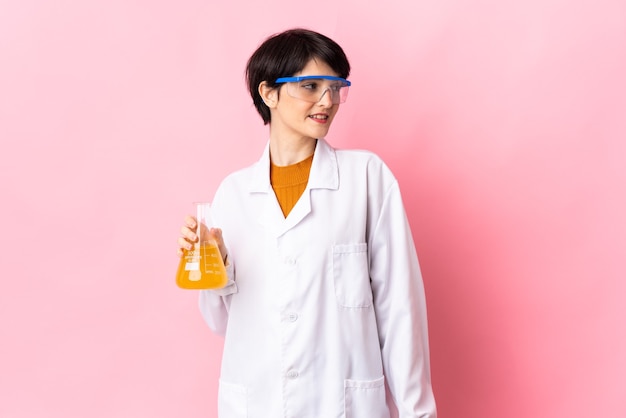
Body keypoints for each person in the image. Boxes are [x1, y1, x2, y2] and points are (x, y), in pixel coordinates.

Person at [177, 28, 436, 418]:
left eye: (336, 87)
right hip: (257, 402)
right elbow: (221, 323)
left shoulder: (367, 177)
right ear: (269, 94)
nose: (327, 101)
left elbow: (400, 308)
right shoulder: (233, 193)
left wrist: (418, 412)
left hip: (343, 405)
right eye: (311, 86)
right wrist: (219, 267)